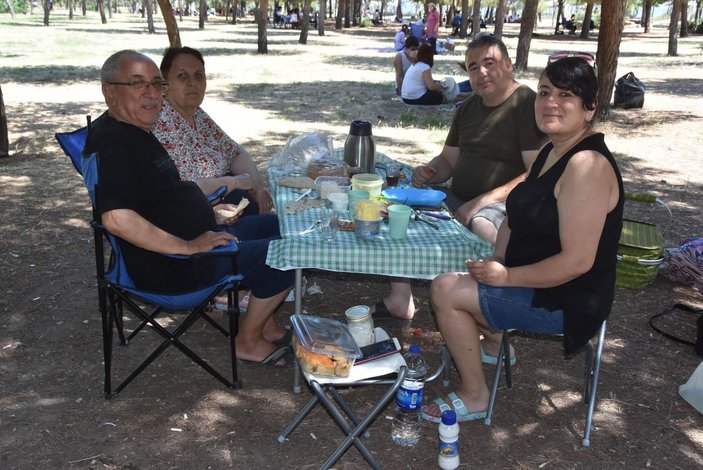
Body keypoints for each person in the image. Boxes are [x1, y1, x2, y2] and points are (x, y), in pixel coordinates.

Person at [421, 56, 624, 422]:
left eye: (566, 95)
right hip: (533, 278)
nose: (550, 102)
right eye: (545, 92)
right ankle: (497, 343)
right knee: (456, 271)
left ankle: (476, 393)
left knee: (444, 290)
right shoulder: (551, 151)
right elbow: (515, 216)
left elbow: (578, 262)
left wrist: (506, 278)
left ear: (590, 108)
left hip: (567, 298)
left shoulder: (586, 166)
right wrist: (498, 262)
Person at [87, 50, 295, 368]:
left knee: (282, 229)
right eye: (137, 84)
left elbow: (160, 198)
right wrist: (186, 246)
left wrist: (206, 214)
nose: (152, 93)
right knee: (289, 253)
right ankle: (248, 341)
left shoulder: (132, 130)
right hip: (177, 266)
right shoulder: (115, 144)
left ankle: (263, 321)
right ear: (109, 91)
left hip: (199, 236)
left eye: (156, 84)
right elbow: (117, 219)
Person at [374, 34, 546, 322]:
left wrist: (481, 202)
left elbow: (535, 174)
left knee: (481, 224)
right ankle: (401, 298)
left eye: (489, 63)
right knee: (398, 212)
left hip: (505, 207)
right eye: (473, 67)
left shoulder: (526, 105)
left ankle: (493, 309)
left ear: (508, 65)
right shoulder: (466, 108)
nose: (481, 73)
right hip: (458, 197)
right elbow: (448, 161)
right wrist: (428, 172)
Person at [153, 47, 273, 217]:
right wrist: (236, 182)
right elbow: (189, 187)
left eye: (199, 75)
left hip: (226, 206)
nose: (192, 82)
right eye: (182, 76)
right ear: (165, 84)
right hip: (199, 217)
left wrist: (258, 187)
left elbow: (235, 153)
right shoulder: (162, 122)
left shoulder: (196, 114)